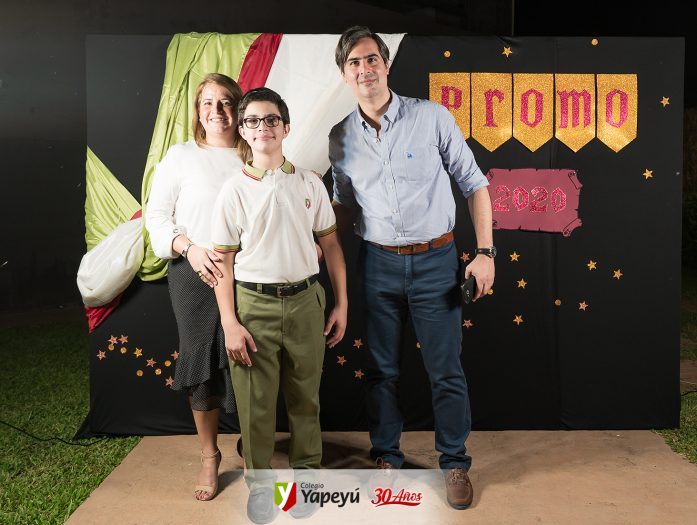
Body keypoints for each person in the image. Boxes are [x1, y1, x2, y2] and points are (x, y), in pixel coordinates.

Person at [329, 26, 496, 510]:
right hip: (377, 264)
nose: (365, 69)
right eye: (354, 62)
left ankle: (455, 462)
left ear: (386, 64)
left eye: (372, 59)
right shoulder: (340, 136)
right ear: (344, 74)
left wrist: (485, 253)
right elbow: (344, 206)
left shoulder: (431, 117)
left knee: (445, 370)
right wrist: (314, 243)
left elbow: (475, 184)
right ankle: (387, 457)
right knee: (380, 371)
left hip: (437, 262)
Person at [211, 87, 347, 523]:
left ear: (286, 127)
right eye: (252, 121)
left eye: (271, 119)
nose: (262, 127)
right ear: (243, 131)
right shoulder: (234, 190)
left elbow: (331, 245)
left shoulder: (309, 183)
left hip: (306, 300)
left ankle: (307, 480)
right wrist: (230, 322)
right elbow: (223, 265)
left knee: (306, 399)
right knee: (256, 406)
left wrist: (341, 303)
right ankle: (261, 486)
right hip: (254, 306)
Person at [145, 73, 244, 501]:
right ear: (197, 111)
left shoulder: (256, 152)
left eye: (225, 102)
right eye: (207, 103)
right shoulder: (180, 156)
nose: (216, 111)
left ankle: (252, 444)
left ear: (238, 108)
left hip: (248, 273)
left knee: (248, 357)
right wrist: (189, 248)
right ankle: (209, 455)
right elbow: (156, 218)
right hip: (194, 272)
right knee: (201, 358)